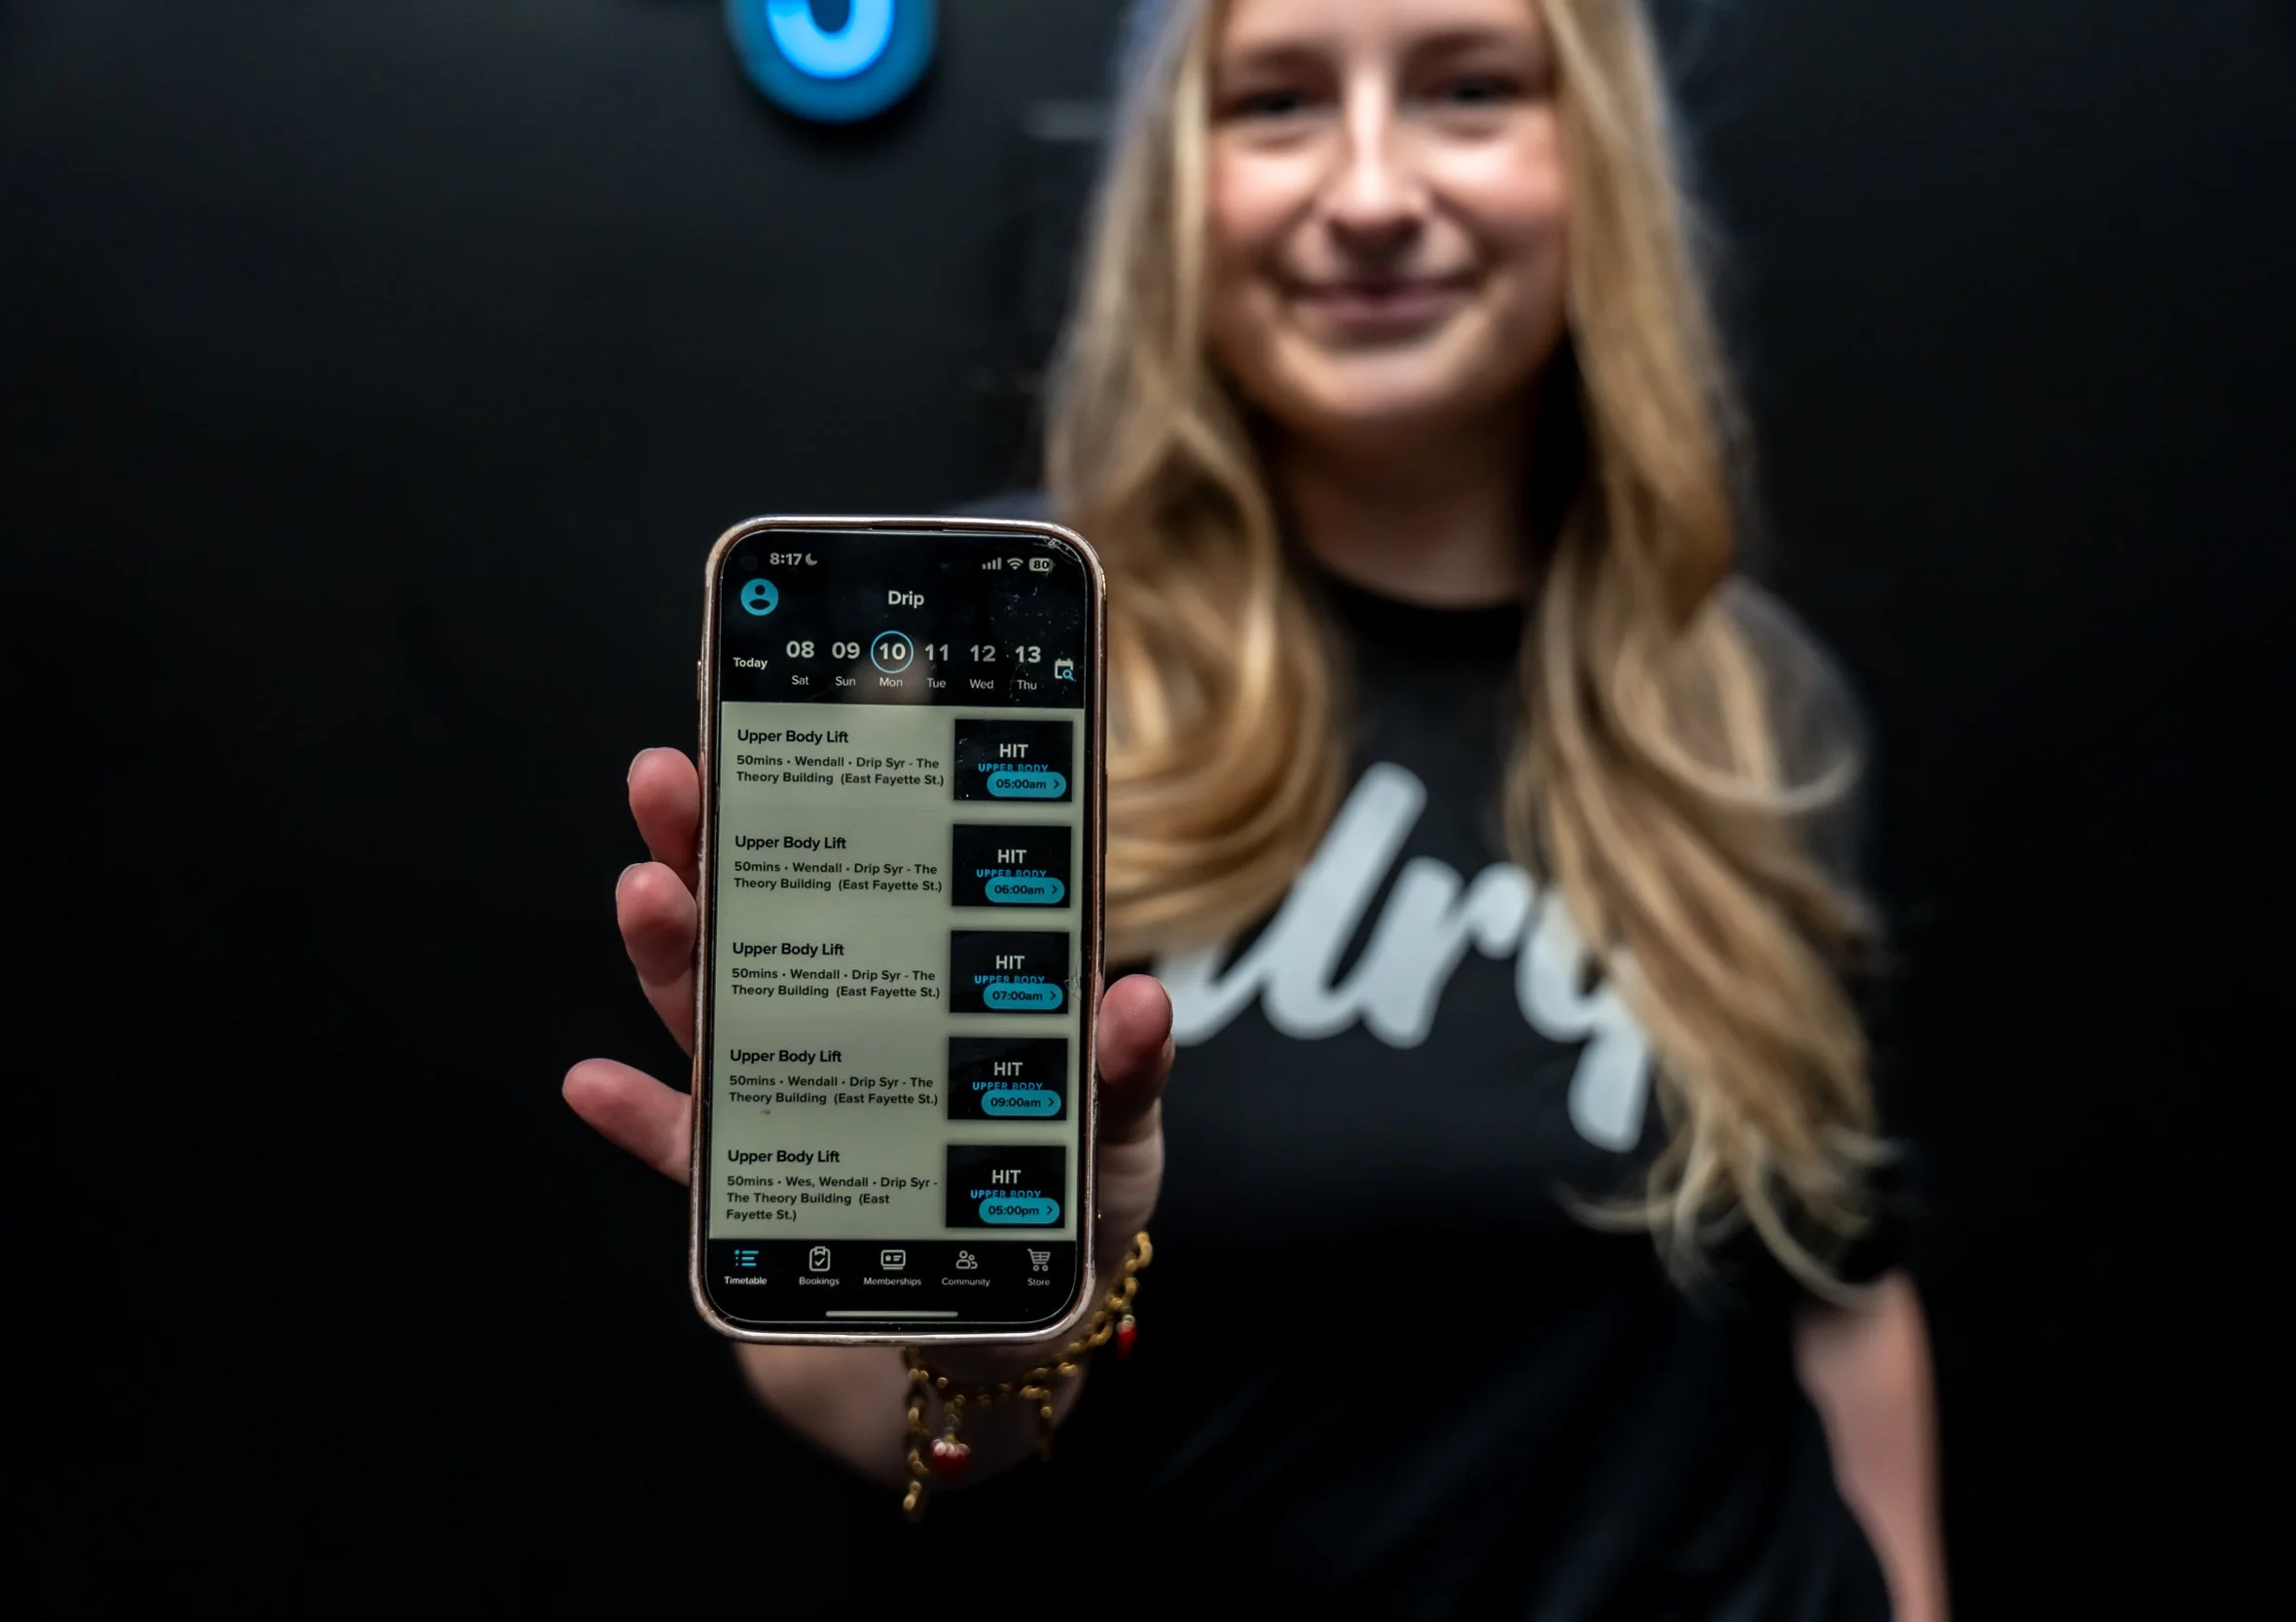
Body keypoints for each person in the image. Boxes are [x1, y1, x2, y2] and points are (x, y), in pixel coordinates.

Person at [564, 0, 1947, 1614]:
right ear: (1173, 188)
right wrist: (989, 1328)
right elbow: (882, 1417)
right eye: (1277, 102)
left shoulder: (1746, 700)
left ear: (1597, 163)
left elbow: (1843, 1288)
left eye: (1471, 89)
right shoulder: (989, 669)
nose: (1368, 189)